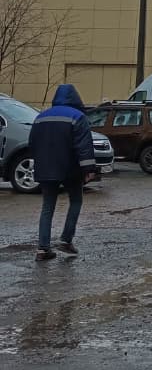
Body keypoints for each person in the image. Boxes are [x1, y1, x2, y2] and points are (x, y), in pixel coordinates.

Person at [29, 84, 97, 262]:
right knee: (76, 200)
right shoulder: (78, 117)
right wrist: (89, 169)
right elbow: (84, 146)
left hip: (46, 168)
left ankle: (43, 249)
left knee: (47, 206)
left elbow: (32, 143)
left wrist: (39, 162)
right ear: (76, 98)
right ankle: (66, 239)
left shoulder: (41, 117)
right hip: (70, 168)